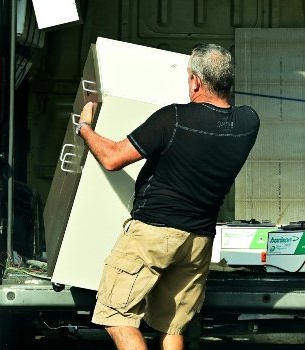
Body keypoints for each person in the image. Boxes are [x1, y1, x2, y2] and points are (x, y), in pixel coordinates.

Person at [76, 43, 260, 350]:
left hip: (153, 234)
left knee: (117, 316)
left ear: (196, 82)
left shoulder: (173, 119)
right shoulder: (248, 122)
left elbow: (112, 158)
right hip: (198, 241)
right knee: (172, 325)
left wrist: (85, 128)